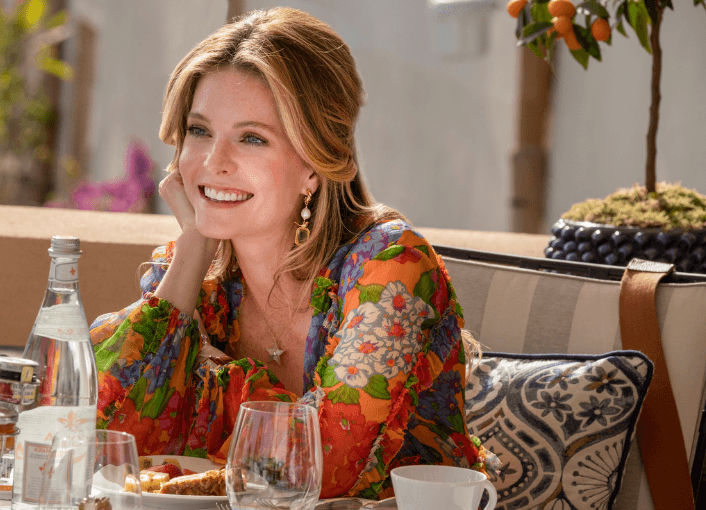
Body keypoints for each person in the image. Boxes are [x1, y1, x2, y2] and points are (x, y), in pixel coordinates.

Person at [91, 7, 499, 500]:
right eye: (200, 132)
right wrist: (196, 243)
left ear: (314, 164)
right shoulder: (198, 286)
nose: (213, 162)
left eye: (252, 138)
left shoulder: (390, 269)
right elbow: (110, 444)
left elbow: (324, 472)